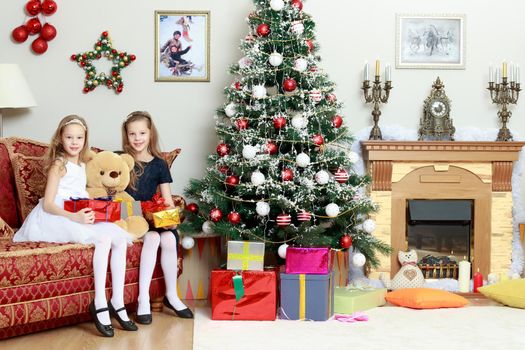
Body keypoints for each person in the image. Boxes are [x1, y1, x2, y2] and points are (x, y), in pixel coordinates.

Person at [13, 115, 138, 337]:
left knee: (120, 238)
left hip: (79, 210)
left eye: (79, 137)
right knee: (103, 239)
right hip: (57, 215)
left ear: (85, 139)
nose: (74, 142)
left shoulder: (82, 163)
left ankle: (117, 302)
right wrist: (75, 217)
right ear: (60, 138)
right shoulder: (58, 165)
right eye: (69, 137)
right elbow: (49, 203)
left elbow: (91, 183)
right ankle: (99, 302)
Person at [122, 111, 193, 324]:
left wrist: (169, 219)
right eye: (132, 133)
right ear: (126, 135)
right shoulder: (123, 161)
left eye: (142, 132)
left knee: (170, 238)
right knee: (152, 239)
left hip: (154, 216)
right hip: (132, 216)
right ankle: (143, 298)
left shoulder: (160, 164)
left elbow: (167, 199)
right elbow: (118, 196)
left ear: (150, 133)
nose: (137, 138)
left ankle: (172, 295)